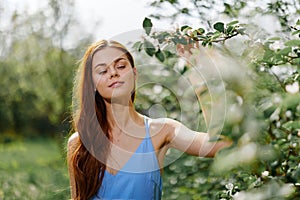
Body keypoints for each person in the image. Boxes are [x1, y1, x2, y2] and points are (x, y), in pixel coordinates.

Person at [67, 39, 232, 200]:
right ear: (93, 83)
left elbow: (220, 145)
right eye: (102, 71)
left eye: (121, 66)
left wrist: (199, 74)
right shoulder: (79, 143)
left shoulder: (162, 131)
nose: (113, 73)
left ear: (134, 73)